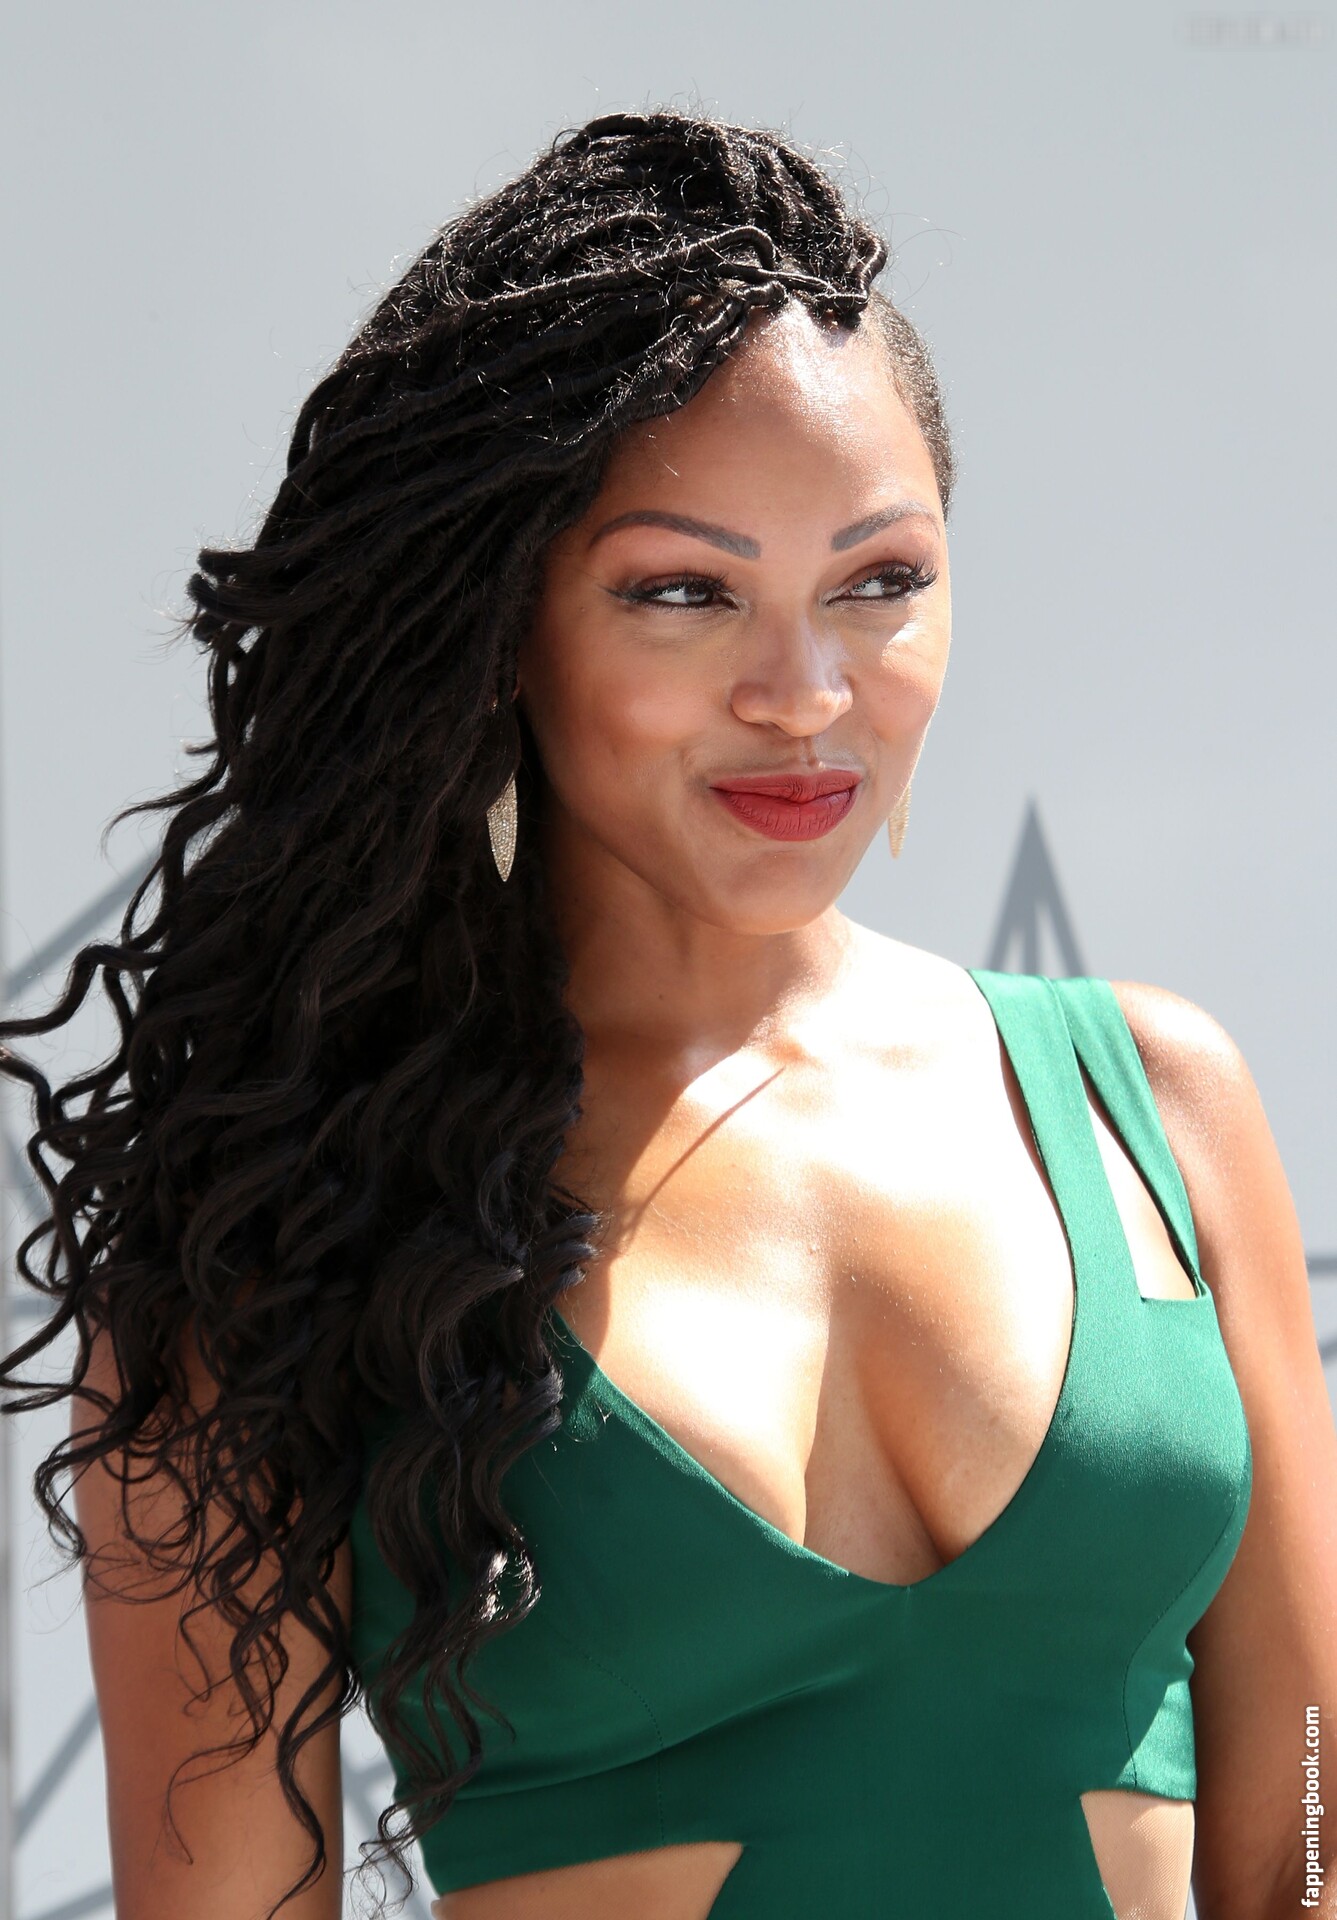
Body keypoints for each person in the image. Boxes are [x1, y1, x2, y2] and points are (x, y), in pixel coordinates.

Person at [1, 104, 1333, 1920]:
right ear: (500, 628)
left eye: (880, 582)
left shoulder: (1149, 1107)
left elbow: (1305, 1837)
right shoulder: (283, 1232)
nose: (804, 691)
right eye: (683, 593)